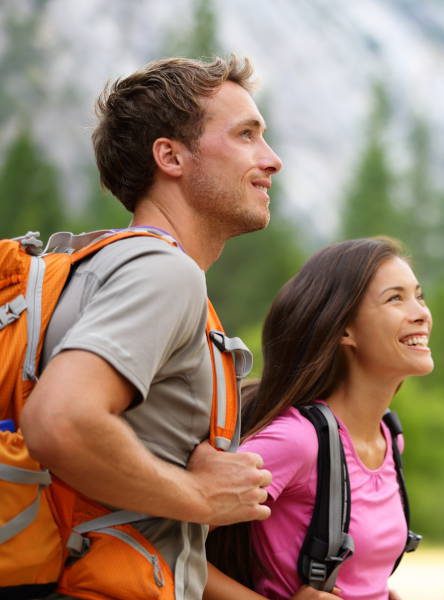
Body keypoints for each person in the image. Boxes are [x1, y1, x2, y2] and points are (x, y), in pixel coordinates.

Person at [20, 55, 282, 599]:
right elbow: (60, 421)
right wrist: (199, 495)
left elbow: (147, 531)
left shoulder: (99, 267)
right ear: (170, 156)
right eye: (246, 135)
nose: (271, 159)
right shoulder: (164, 272)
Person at [204, 237, 433, 600]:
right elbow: (170, 543)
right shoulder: (297, 442)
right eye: (395, 298)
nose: (421, 312)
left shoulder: (390, 435)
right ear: (345, 330)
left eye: (419, 296)